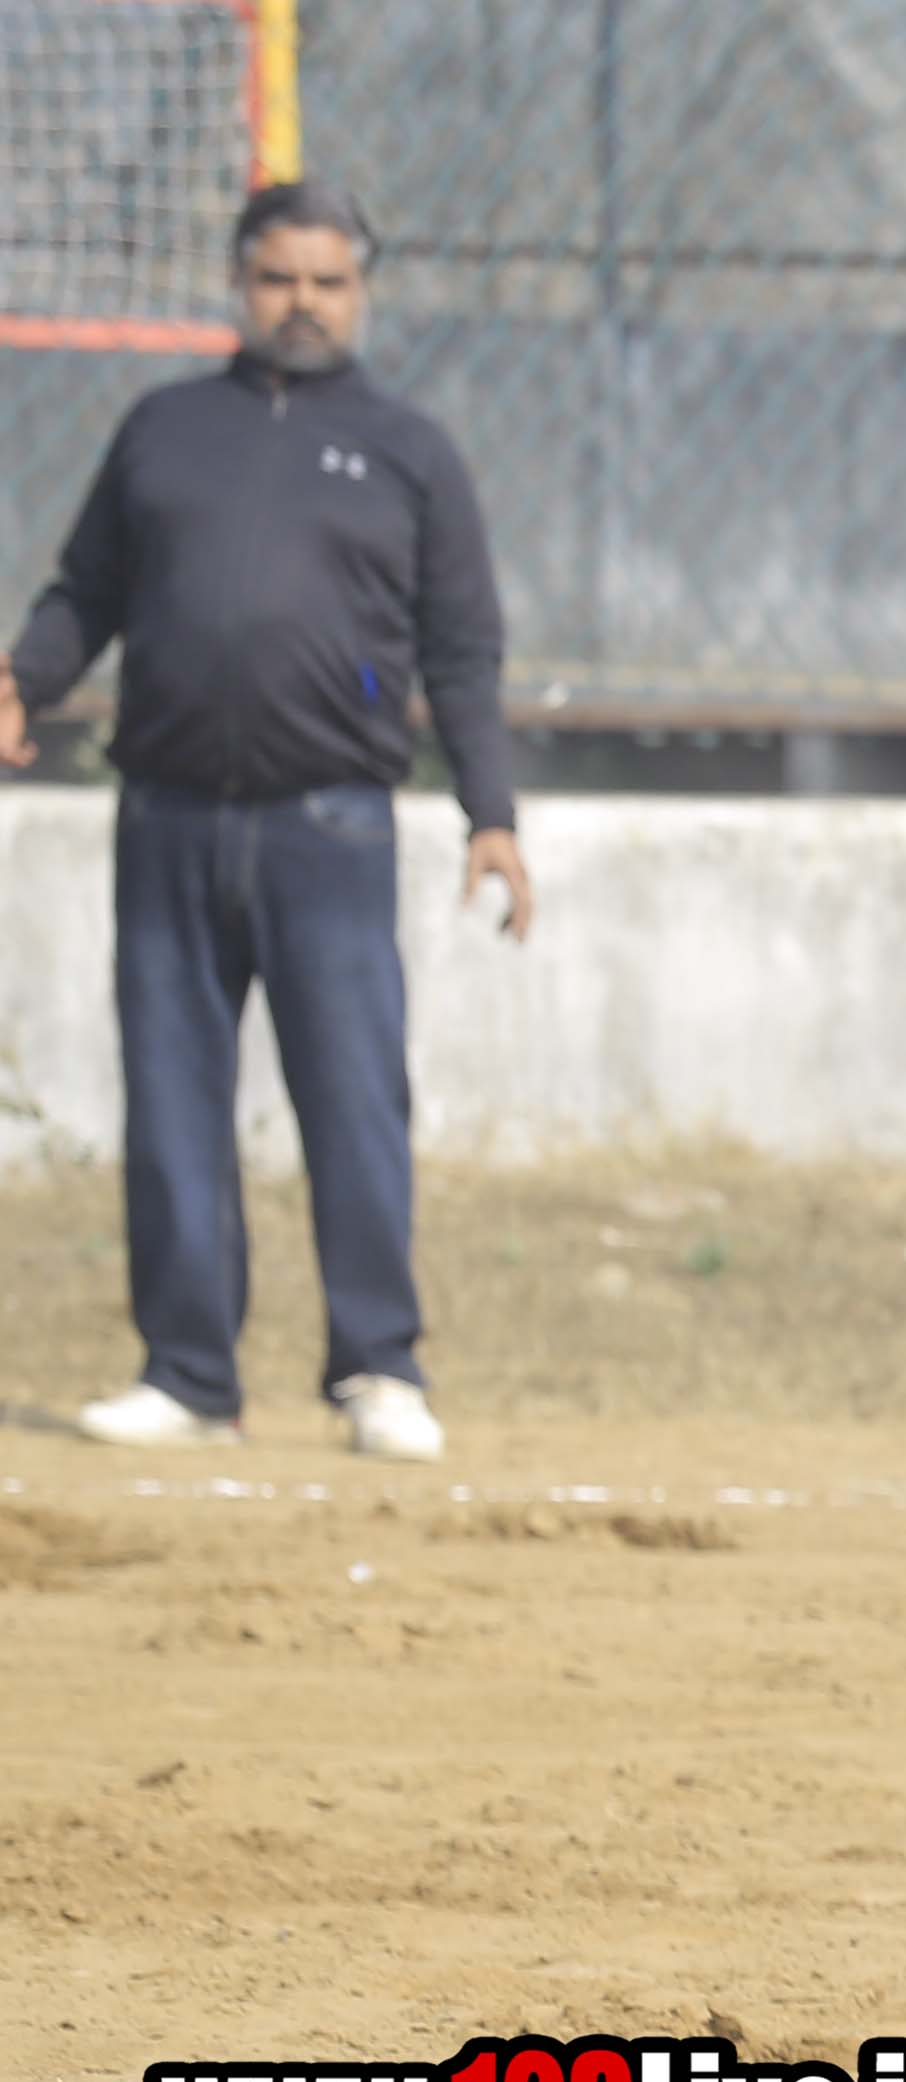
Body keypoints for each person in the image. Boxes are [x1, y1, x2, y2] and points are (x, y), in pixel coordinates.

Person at [1, 182, 529, 1464]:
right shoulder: (165, 431)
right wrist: (25, 680)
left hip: (329, 829)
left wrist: (491, 813)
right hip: (166, 821)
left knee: (353, 1100)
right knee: (172, 1103)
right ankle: (189, 1374)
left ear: (361, 293)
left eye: (328, 282)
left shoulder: (409, 451)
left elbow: (462, 651)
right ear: (240, 285)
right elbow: (87, 592)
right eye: (279, 278)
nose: (303, 303)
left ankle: (378, 1369)